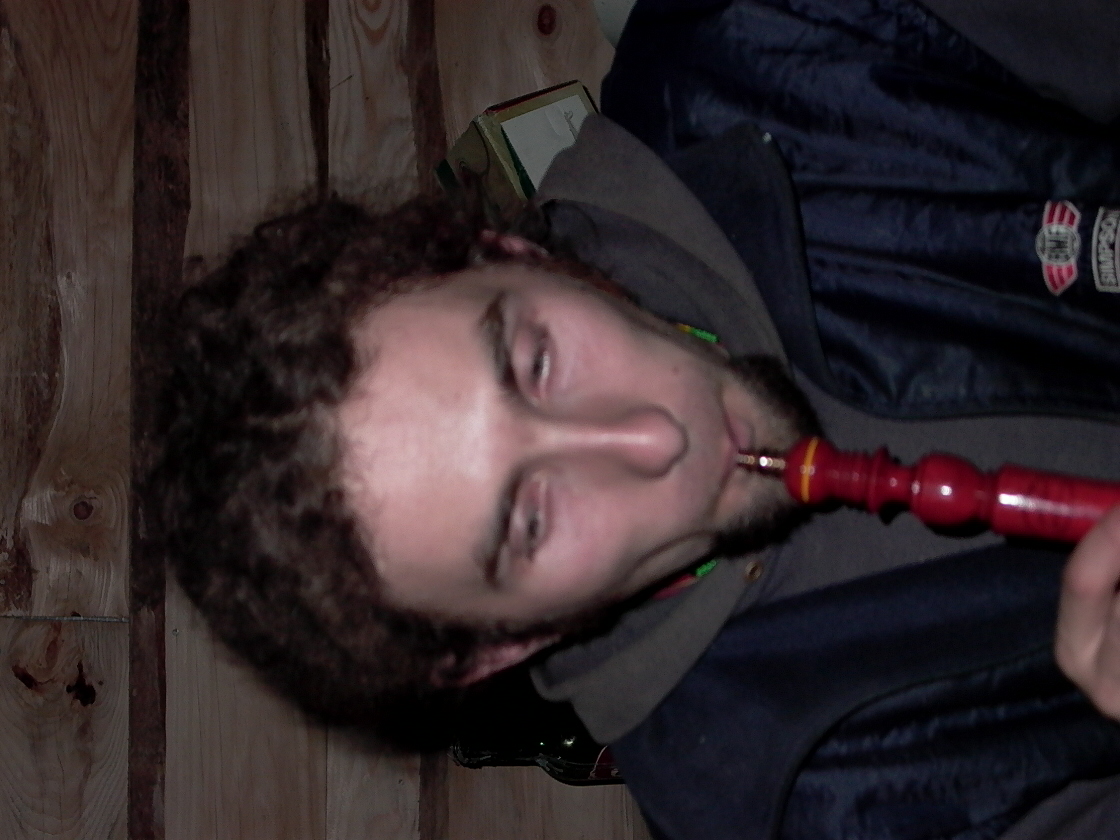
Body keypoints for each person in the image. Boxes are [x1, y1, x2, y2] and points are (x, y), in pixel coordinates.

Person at [150, 0, 1120, 837]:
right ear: (504, 645)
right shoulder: (794, 810)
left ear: (508, 254)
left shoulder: (778, 32)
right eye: (529, 521)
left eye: (534, 363)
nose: (652, 439)